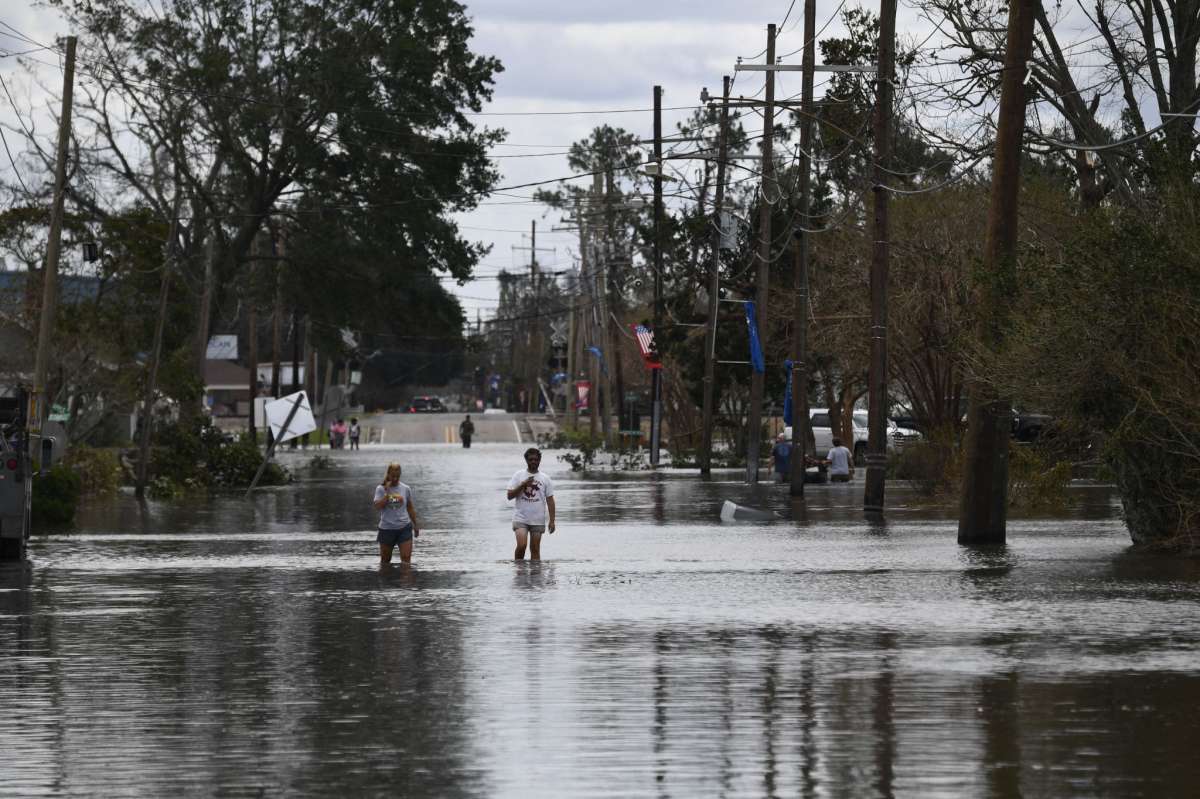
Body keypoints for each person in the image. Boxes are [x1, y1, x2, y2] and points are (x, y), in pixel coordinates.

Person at [505, 447, 556, 560]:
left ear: (539, 461)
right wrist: (523, 485)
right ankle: (519, 571)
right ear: (526, 460)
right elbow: (509, 496)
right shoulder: (518, 475)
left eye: (536, 459)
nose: (533, 462)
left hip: (538, 519)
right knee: (522, 545)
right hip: (521, 518)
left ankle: (536, 576)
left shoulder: (545, 478)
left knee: (535, 549)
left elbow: (550, 501)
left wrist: (552, 521)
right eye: (531, 459)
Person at [373, 462, 421, 564]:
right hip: (387, 528)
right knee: (385, 561)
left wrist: (415, 525)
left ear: (400, 474)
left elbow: (410, 507)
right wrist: (387, 493)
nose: (395, 478)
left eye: (397, 476)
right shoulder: (380, 489)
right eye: (393, 476)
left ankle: (405, 580)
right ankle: (387, 580)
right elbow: (377, 506)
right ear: (388, 474)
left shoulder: (405, 488)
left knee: (406, 559)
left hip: (404, 528)